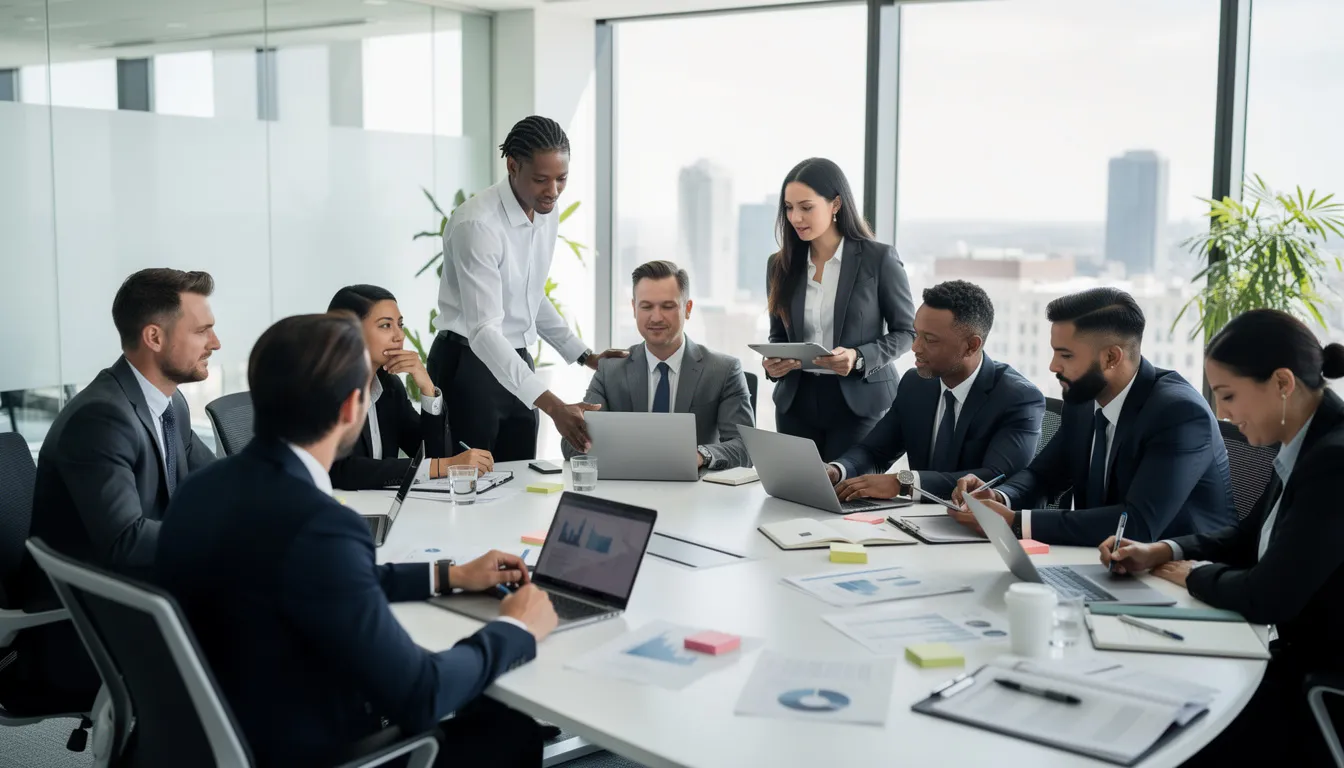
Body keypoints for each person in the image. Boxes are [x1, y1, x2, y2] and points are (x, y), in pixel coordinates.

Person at [156, 313, 558, 767]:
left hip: (210, 738)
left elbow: (332, 578)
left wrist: (451, 575)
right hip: (313, 751)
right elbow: (421, 693)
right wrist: (516, 629)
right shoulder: (321, 525)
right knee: (511, 731)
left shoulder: (198, 489)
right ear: (352, 408)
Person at [1099, 309, 1344, 766]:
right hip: (1284, 654)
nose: (1222, 413)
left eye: (1229, 395)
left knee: (1161, 734)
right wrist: (1163, 550)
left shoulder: (1333, 461)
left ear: (1283, 383)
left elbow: (1267, 596)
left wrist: (1192, 575)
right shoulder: (1305, 441)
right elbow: (1247, 537)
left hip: (1316, 683)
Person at [3, 268, 220, 716]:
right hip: (85, 626)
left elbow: (217, 482)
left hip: (140, 594)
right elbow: (125, 540)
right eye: (202, 330)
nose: (215, 343)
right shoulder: (101, 418)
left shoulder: (170, 404)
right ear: (154, 337)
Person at [952, 287, 1234, 546]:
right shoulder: (1083, 401)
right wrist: (1000, 496)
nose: (1053, 366)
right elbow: (1043, 476)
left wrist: (1016, 523)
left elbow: (1136, 524)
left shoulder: (1179, 414)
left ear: (1111, 358)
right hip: (1100, 560)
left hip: (1178, 571)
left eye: (1066, 355)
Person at [428, 115, 626, 462]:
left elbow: (529, 296)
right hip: (467, 365)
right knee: (468, 481)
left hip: (516, 358)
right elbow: (484, 332)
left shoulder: (546, 211)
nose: (553, 191)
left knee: (520, 475)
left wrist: (586, 356)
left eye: (561, 179)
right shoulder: (478, 224)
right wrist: (555, 406)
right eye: (541, 179)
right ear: (512, 166)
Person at [826, 280, 1044, 503]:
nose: (915, 347)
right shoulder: (915, 384)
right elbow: (874, 451)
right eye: (916, 334)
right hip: (915, 517)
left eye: (930, 340)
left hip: (976, 520)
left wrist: (905, 483)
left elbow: (995, 477)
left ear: (971, 346)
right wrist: (837, 470)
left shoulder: (1018, 398)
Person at [763, 158, 915, 462]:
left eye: (806, 207)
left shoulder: (878, 259)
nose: (795, 217)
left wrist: (858, 357)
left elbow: (907, 332)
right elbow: (778, 335)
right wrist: (774, 363)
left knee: (845, 488)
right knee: (797, 487)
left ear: (835, 204)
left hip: (859, 403)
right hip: (796, 403)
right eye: (789, 208)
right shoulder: (780, 265)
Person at [561, 260, 754, 470]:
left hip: (696, 486)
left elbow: (746, 448)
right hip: (627, 485)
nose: (656, 317)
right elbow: (572, 447)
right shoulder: (610, 370)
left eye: (667, 306)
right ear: (634, 309)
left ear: (687, 309)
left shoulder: (723, 371)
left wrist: (700, 456)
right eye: (646, 306)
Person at [325, 284, 493, 490]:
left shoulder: (389, 387)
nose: (400, 335)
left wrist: (428, 388)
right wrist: (445, 466)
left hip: (381, 505)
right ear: (350, 332)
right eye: (386, 325)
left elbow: (430, 454)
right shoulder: (325, 389)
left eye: (400, 324)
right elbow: (342, 470)